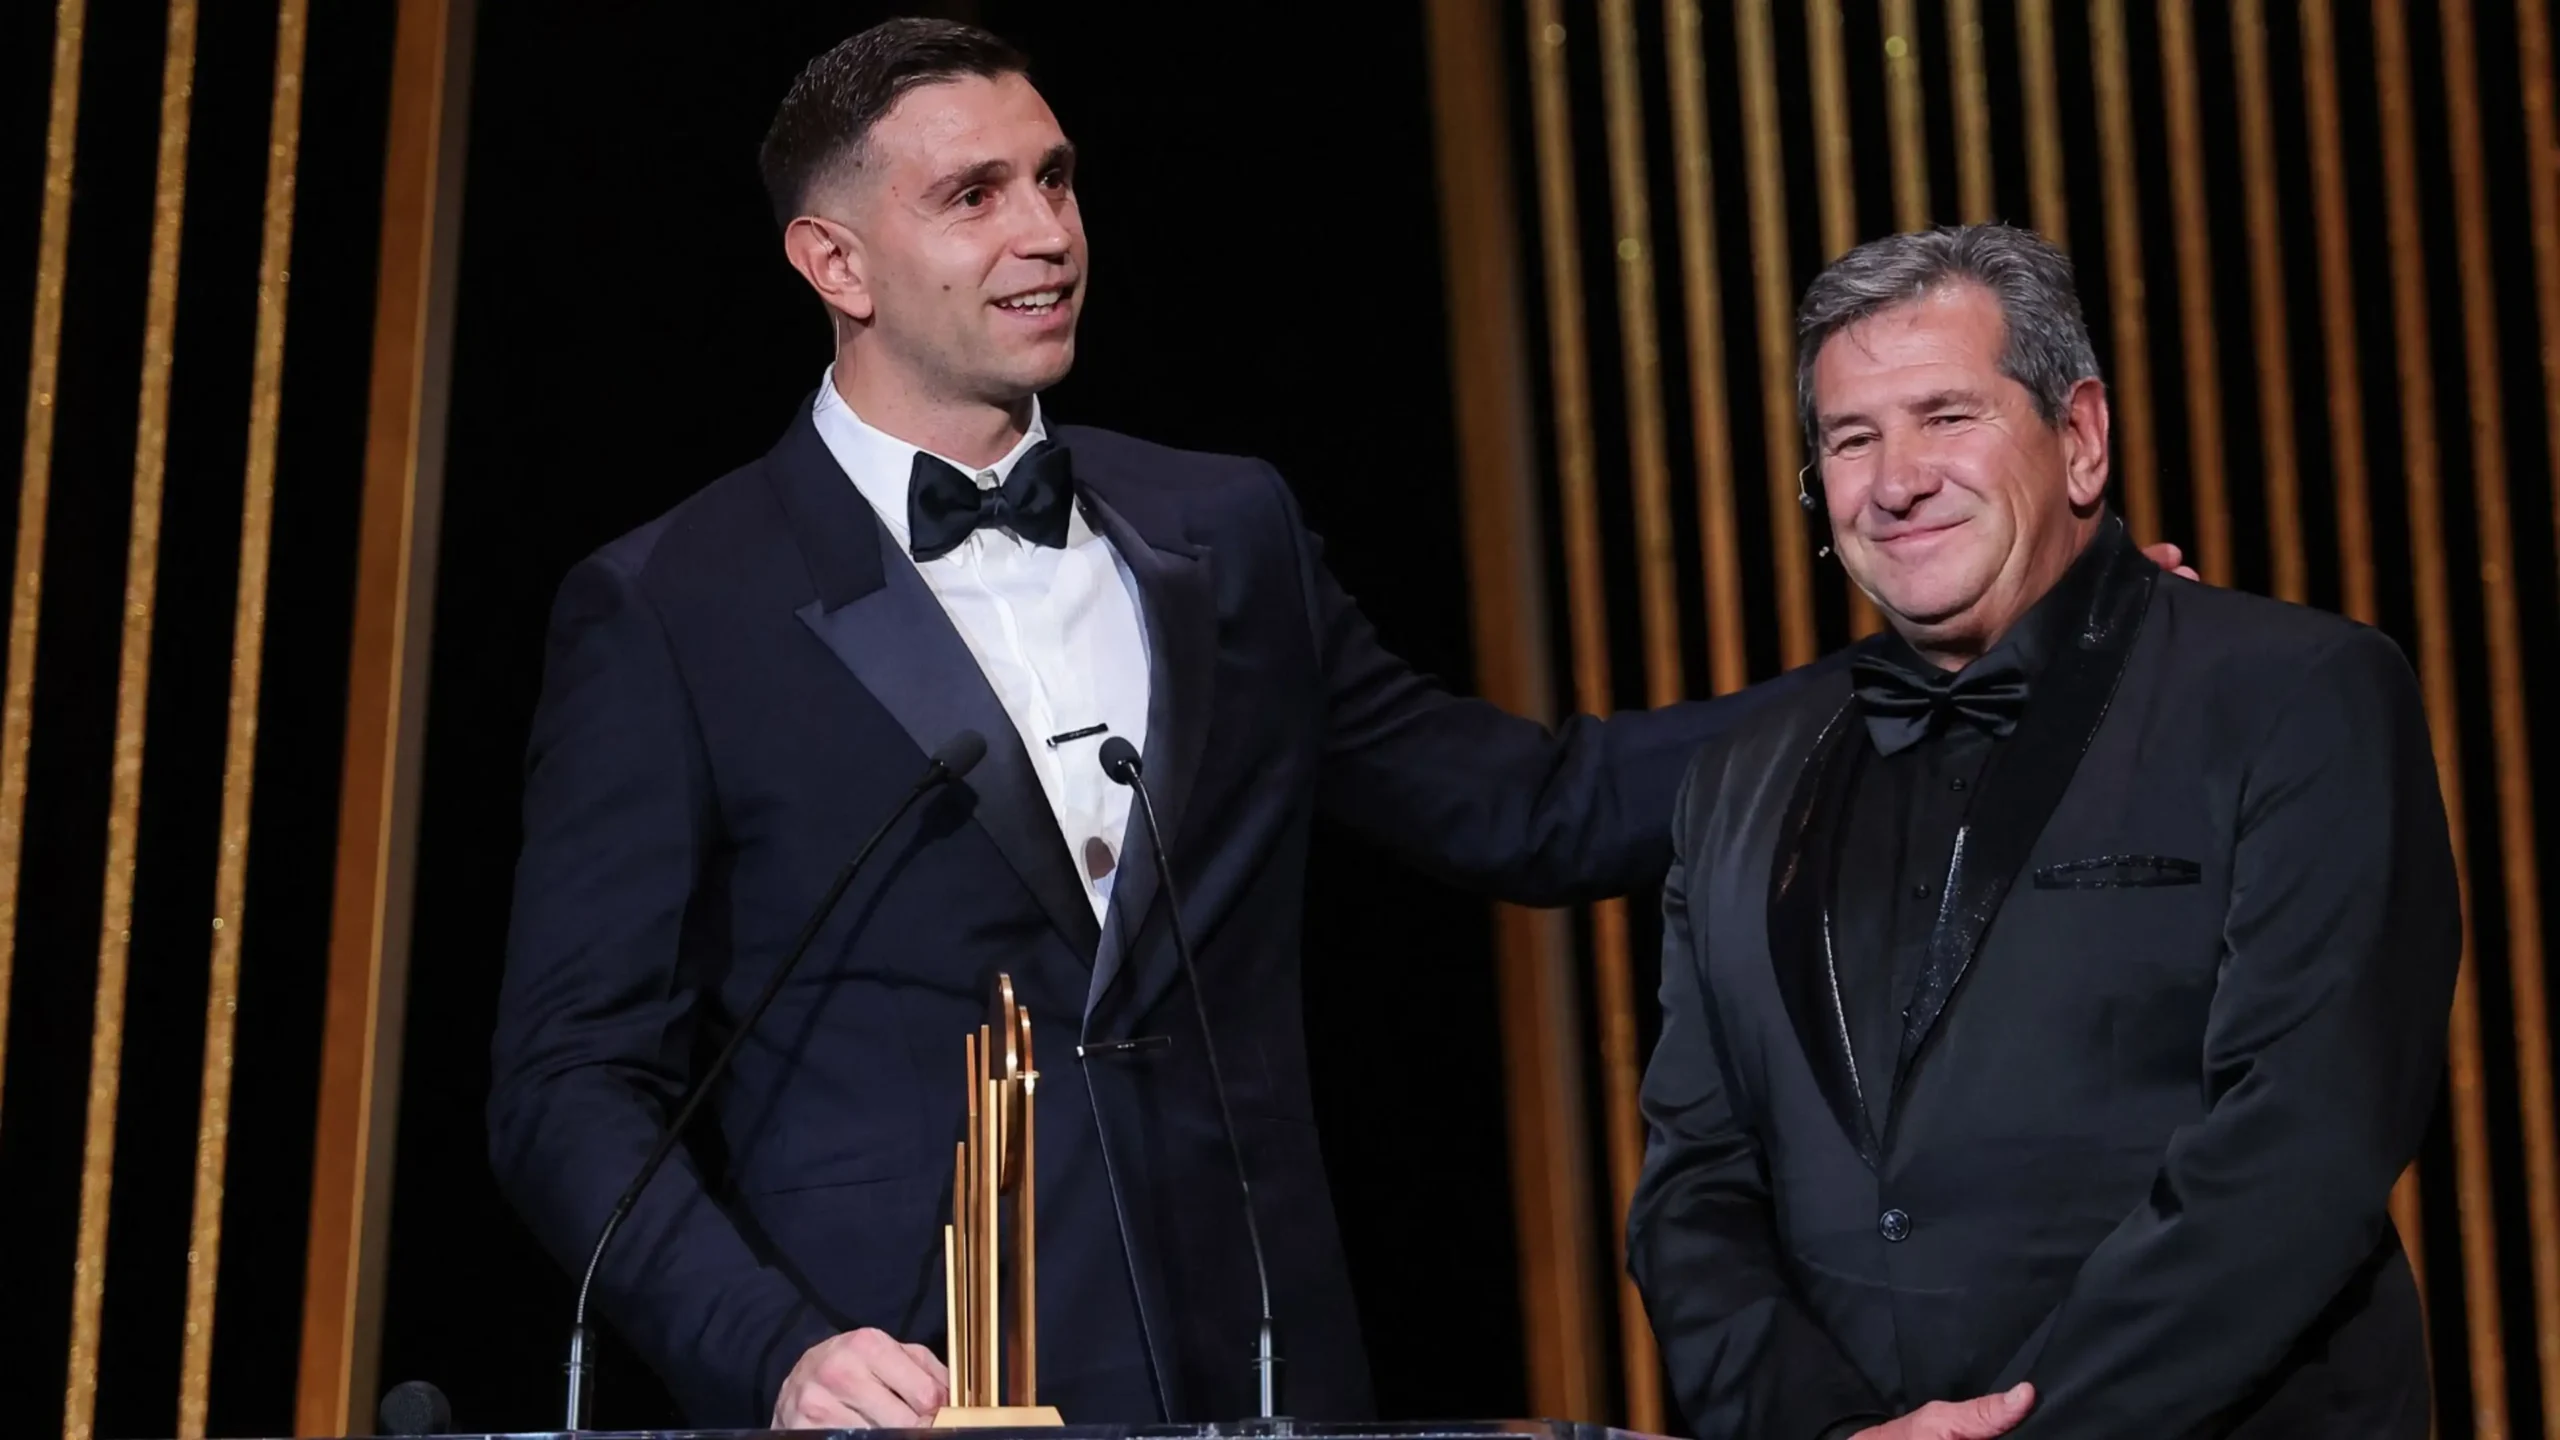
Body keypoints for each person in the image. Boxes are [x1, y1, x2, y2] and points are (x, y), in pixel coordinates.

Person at [1625, 221, 2458, 1440]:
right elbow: (1693, 1186)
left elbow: (2302, 1141)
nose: (1895, 478)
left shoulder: (2296, 692)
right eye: (1851, 439)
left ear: (2079, 439)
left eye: (1945, 417)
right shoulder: (1736, 781)